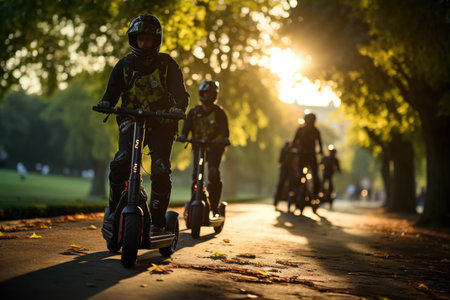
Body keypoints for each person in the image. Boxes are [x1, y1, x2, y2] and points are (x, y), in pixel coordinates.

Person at [97, 14, 189, 235]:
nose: (144, 43)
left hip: (162, 123)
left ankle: (157, 220)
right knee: (121, 162)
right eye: (140, 39)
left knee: (160, 167)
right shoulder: (125, 65)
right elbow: (112, 92)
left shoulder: (167, 64)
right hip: (131, 119)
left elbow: (180, 94)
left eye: (148, 39)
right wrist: (106, 102)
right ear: (133, 40)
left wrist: (179, 108)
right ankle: (112, 211)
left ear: (156, 40)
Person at [178, 80, 229, 216]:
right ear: (201, 94)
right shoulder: (194, 112)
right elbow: (186, 129)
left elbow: (225, 131)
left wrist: (224, 139)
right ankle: (194, 198)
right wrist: (183, 136)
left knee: (213, 172)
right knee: (197, 175)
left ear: (215, 95)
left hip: (215, 148)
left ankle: (214, 205)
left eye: (211, 94)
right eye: (206, 93)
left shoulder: (219, 113)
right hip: (198, 146)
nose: (208, 96)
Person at [292, 112, 323, 200]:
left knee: (315, 177)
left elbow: (320, 143)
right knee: (298, 174)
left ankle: (315, 194)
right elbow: (294, 142)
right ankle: (295, 191)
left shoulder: (315, 131)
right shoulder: (301, 130)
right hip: (302, 156)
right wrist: (295, 149)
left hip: (311, 156)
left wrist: (320, 151)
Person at [273, 141, 299, 208]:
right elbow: (280, 159)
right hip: (286, 169)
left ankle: (289, 201)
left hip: (289, 169)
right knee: (283, 184)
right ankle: (277, 200)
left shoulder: (294, 149)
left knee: (289, 185)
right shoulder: (287, 149)